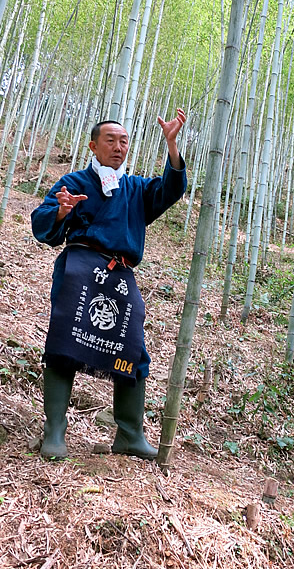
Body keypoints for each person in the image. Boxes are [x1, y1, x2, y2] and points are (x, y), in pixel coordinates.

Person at [31, 110, 188, 461]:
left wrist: (172, 144)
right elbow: (41, 223)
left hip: (120, 275)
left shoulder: (134, 188)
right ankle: (54, 430)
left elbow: (170, 189)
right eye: (110, 140)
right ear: (93, 145)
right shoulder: (75, 181)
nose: (118, 148)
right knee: (64, 342)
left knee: (133, 349)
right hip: (80, 267)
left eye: (124, 141)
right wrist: (60, 212)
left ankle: (129, 433)